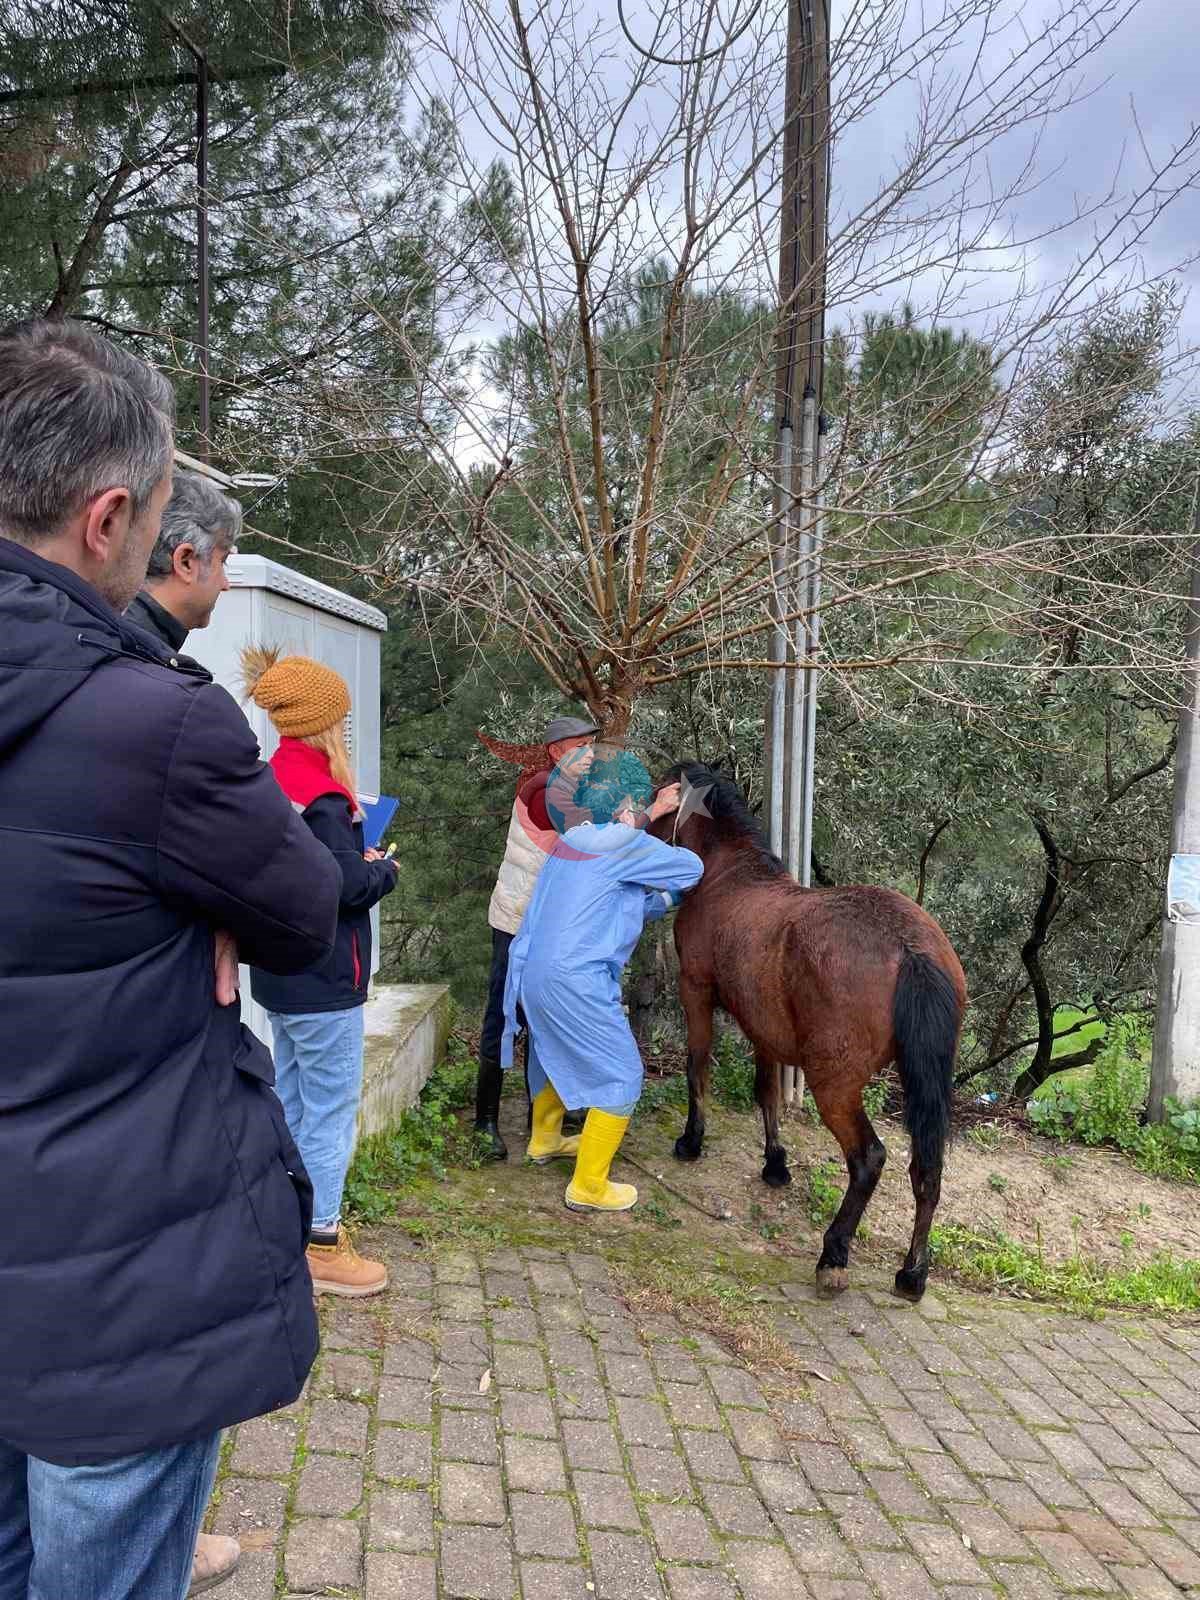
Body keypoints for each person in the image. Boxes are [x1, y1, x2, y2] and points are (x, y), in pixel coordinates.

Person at [0, 318, 341, 1600]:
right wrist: (197, 904)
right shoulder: (153, 722)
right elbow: (304, 912)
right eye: (153, 513)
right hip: (117, 1293)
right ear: (106, 519)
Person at [244, 646, 399, 1298]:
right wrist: (382, 869)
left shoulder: (268, 779)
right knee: (330, 1112)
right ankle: (323, 1244)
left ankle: (285, 1226)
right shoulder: (326, 798)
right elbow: (343, 886)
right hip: (325, 979)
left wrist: (350, 860)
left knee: (296, 1104)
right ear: (324, 721)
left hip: (280, 977)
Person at [501, 751, 704, 1210]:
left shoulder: (574, 839)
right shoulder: (618, 841)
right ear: (626, 802)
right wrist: (657, 819)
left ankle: (545, 1140)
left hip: (537, 973)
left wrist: (659, 896)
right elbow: (690, 869)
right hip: (574, 979)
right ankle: (589, 1186)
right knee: (621, 1076)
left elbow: (607, 903)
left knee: (556, 1053)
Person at [475, 713, 600, 1159]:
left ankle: (540, 1121)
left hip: (550, 925)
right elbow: (589, 844)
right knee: (503, 1016)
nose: (590, 754)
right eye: (580, 746)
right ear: (555, 751)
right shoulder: (543, 788)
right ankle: (485, 1124)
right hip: (517, 923)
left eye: (592, 745)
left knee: (546, 1019)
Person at [126, 468, 241, 650]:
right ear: (185, 562)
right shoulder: (145, 662)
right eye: (222, 561)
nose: (225, 584)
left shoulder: (103, 639)